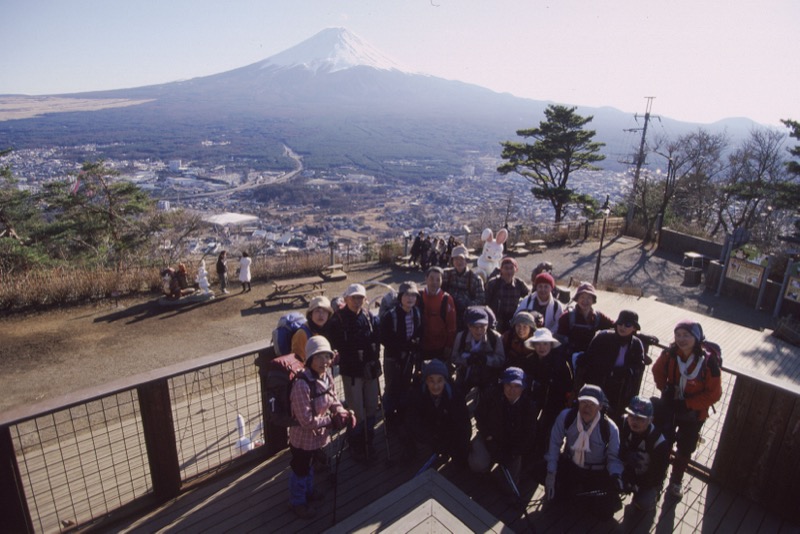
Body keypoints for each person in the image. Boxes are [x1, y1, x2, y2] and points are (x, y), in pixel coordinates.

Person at [652, 320, 721, 499]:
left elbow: (714, 394)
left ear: (697, 338)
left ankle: (676, 481)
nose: (681, 339)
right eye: (678, 335)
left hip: (694, 413)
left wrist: (687, 404)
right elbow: (657, 370)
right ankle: (658, 476)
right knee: (663, 441)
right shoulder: (670, 354)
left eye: (687, 335)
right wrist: (664, 388)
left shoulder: (708, 362)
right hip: (670, 405)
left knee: (685, 447)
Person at [288, 336, 354, 519]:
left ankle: (308, 493)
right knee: (300, 470)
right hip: (302, 440)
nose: (324, 361)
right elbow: (306, 421)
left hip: (317, 439)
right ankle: (297, 502)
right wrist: (331, 422)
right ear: (309, 359)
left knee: (309, 467)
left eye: (327, 356)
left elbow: (333, 398)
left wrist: (341, 412)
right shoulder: (301, 385)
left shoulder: (327, 375)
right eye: (318, 357)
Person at [545, 384, 624, 521]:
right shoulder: (567, 417)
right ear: (578, 402)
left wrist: (615, 476)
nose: (586, 408)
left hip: (595, 472)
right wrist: (551, 473)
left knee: (605, 511)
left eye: (592, 404)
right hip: (571, 466)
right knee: (556, 497)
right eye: (584, 402)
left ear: (600, 406)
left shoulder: (610, 428)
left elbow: (613, 458)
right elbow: (554, 444)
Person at [327, 283, 381, 461]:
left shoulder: (368, 316)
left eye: (360, 298)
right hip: (351, 372)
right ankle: (357, 443)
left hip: (369, 369)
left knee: (372, 405)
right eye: (354, 298)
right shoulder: (337, 320)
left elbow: (377, 337)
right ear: (347, 299)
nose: (357, 301)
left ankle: (368, 439)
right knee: (356, 409)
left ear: (365, 300)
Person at [468, 367, 537, 485]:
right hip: (490, 438)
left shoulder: (529, 406)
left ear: (523, 387)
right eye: (508, 385)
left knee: (508, 485)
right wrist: (488, 437)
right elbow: (479, 416)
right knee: (477, 465)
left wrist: (513, 452)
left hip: (512, 448)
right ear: (502, 384)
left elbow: (528, 435)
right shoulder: (491, 396)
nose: (512, 390)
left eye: (517, 386)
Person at [579, 310, 647, 422]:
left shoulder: (636, 344)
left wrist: (627, 371)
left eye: (628, 324)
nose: (622, 327)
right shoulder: (602, 337)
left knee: (614, 419)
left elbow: (639, 366)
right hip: (600, 383)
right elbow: (589, 359)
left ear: (634, 328)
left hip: (621, 388)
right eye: (620, 323)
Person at [404, 359, 471, 466]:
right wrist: (431, 439)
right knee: (404, 430)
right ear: (425, 380)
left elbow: (464, 423)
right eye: (431, 381)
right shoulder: (416, 394)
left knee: (461, 455)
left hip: (447, 430)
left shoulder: (455, 395)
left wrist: (456, 443)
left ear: (445, 380)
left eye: (439, 380)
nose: (436, 386)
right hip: (428, 428)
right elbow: (412, 420)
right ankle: (412, 454)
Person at [523, 328, 574, 460]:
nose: (542, 347)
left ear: (551, 345)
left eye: (545, 343)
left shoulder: (561, 364)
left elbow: (568, 387)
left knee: (548, 432)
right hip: (533, 402)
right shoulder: (529, 361)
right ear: (533, 345)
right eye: (538, 344)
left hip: (554, 404)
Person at [380, 281, 423, 423]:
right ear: (400, 297)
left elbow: (418, 332)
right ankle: (390, 415)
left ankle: (402, 411)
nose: (410, 299)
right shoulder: (390, 316)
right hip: (393, 357)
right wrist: (403, 347)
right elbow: (384, 338)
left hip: (408, 356)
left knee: (405, 383)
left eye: (413, 295)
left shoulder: (416, 313)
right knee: (391, 385)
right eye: (406, 295)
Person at [619, 396, 670, 511]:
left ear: (650, 420)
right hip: (626, 468)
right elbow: (614, 449)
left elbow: (658, 474)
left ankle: (651, 493)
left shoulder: (658, 442)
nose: (634, 421)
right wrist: (626, 457)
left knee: (644, 503)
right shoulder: (623, 423)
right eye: (631, 416)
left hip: (647, 477)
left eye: (641, 419)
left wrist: (637, 483)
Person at [451, 306, 505, 397]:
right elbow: (454, 358)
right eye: (475, 326)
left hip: (488, 376)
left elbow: (501, 360)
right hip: (466, 375)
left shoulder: (495, 338)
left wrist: (486, 360)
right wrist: (467, 360)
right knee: (457, 394)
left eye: (483, 326)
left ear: (487, 325)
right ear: (469, 326)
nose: (479, 330)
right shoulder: (461, 337)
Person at [557, 282, 614, 358]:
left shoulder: (598, 317)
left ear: (593, 300)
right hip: (569, 357)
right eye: (582, 297)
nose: (585, 301)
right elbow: (560, 341)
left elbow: (615, 326)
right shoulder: (566, 317)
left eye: (589, 298)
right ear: (577, 299)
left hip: (589, 357)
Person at [417, 266, 457, 361]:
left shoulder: (446, 299)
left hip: (440, 347)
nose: (434, 283)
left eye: (438, 280)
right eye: (431, 279)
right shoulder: (418, 296)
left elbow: (452, 326)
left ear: (442, 281)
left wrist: (449, 345)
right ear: (426, 279)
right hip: (421, 346)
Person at [442, 245, 485, 330]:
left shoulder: (475, 279)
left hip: (466, 315)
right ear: (452, 261)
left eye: (461, 259)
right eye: (456, 259)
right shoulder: (446, 274)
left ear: (466, 260)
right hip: (447, 312)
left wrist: (467, 305)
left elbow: (481, 299)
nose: (459, 262)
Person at [485, 257, 530, 334]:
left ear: (516, 269)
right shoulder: (493, 283)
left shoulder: (519, 284)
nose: (509, 271)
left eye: (511, 268)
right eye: (506, 268)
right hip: (496, 318)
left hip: (512, 318)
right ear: (501, 269)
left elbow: (529, 297)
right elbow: (485, 302)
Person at [291, 296, 334, 362]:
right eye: (317, 311)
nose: (321, 315)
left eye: (325, 311)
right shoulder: (302, 334)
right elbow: (297, 362)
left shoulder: (325, 330)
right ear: (310, 314)